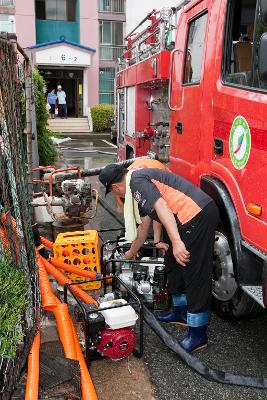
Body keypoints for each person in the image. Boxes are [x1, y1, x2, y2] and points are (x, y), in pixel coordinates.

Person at [99, 165, 219, 352]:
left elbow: (161, 206)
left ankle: (198, 335)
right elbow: (145, 224)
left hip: (197, 216)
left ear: (115, 187)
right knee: (172, 261)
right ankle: (179, 313)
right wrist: (136, 250)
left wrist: (177, 242)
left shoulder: (137, 181)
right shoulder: (137, 183)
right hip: (186, 220)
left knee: (195, 273)